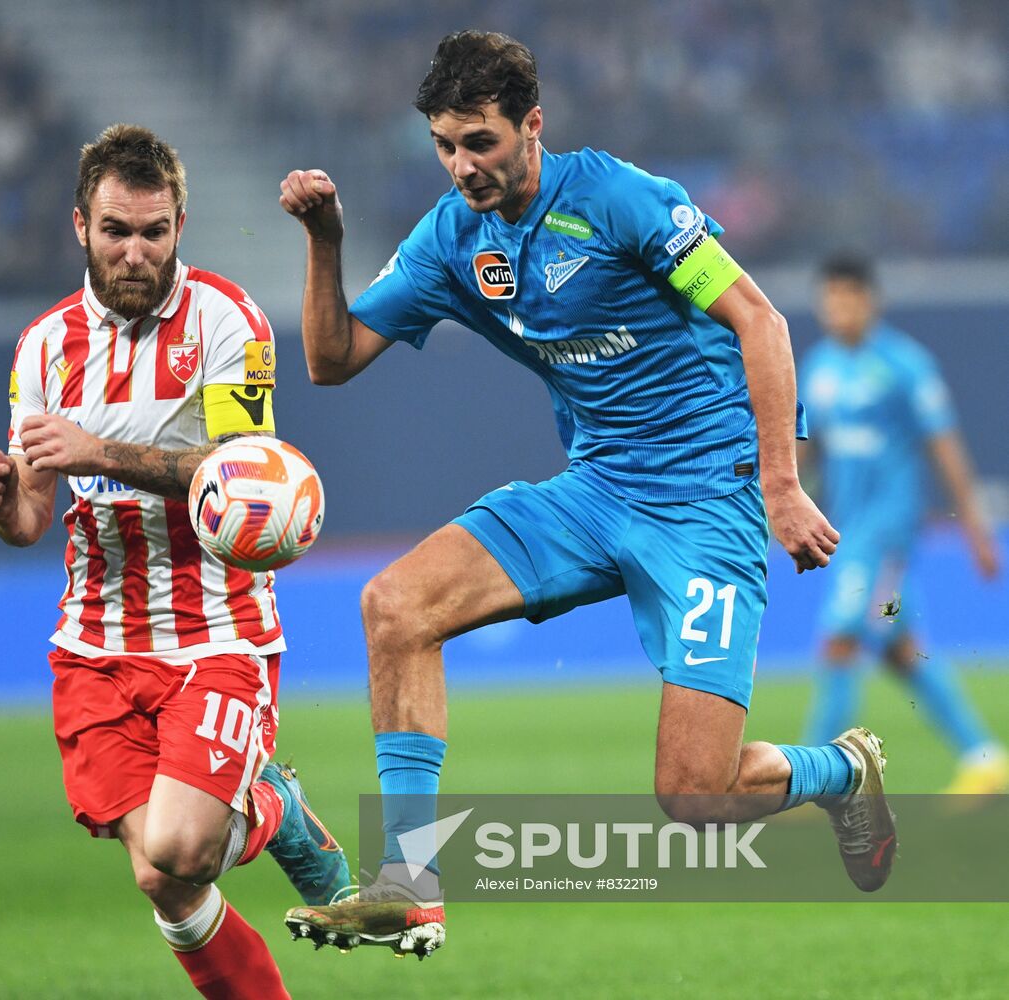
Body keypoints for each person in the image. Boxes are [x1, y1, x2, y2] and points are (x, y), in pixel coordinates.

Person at [277, 31, 894, 958]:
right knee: (395, 606)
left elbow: (760, 322)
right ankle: (408, 885)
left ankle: (842, 770)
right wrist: (325, 240)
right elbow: (330, 361)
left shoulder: (620, 200)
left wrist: (781, 486)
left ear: (533, 124)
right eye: (444, 145)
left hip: (707, 503)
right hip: (598, 489)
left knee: (695, 797)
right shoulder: (451, 238)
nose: (462, 166)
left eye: (480, 142)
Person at [0, 124, 349, 999]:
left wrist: (97, 451)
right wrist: (3, 503)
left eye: (153, 232)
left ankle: (273, 805)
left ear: (180, 226)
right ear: (81, 226)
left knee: (181, 847)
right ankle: (268, 813)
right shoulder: (43, 346)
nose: (135, 252)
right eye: (115, 231)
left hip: (216, 630)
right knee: (165, 881)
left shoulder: (227, 321)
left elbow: (246, 474)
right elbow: (34, 516)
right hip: (94, 644)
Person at [800, 255, 1006, 792]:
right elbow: (807, 450)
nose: (839, 308)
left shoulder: (905, 364)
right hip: (848, 532)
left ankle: (811, 779)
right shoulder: (819, 368)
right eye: (831, 297)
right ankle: (984, 756)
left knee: (840, 639)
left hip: (888, 535)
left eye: (849, 296)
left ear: (870, 301)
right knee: (899, 647)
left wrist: (975, 528)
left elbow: (944, 445)